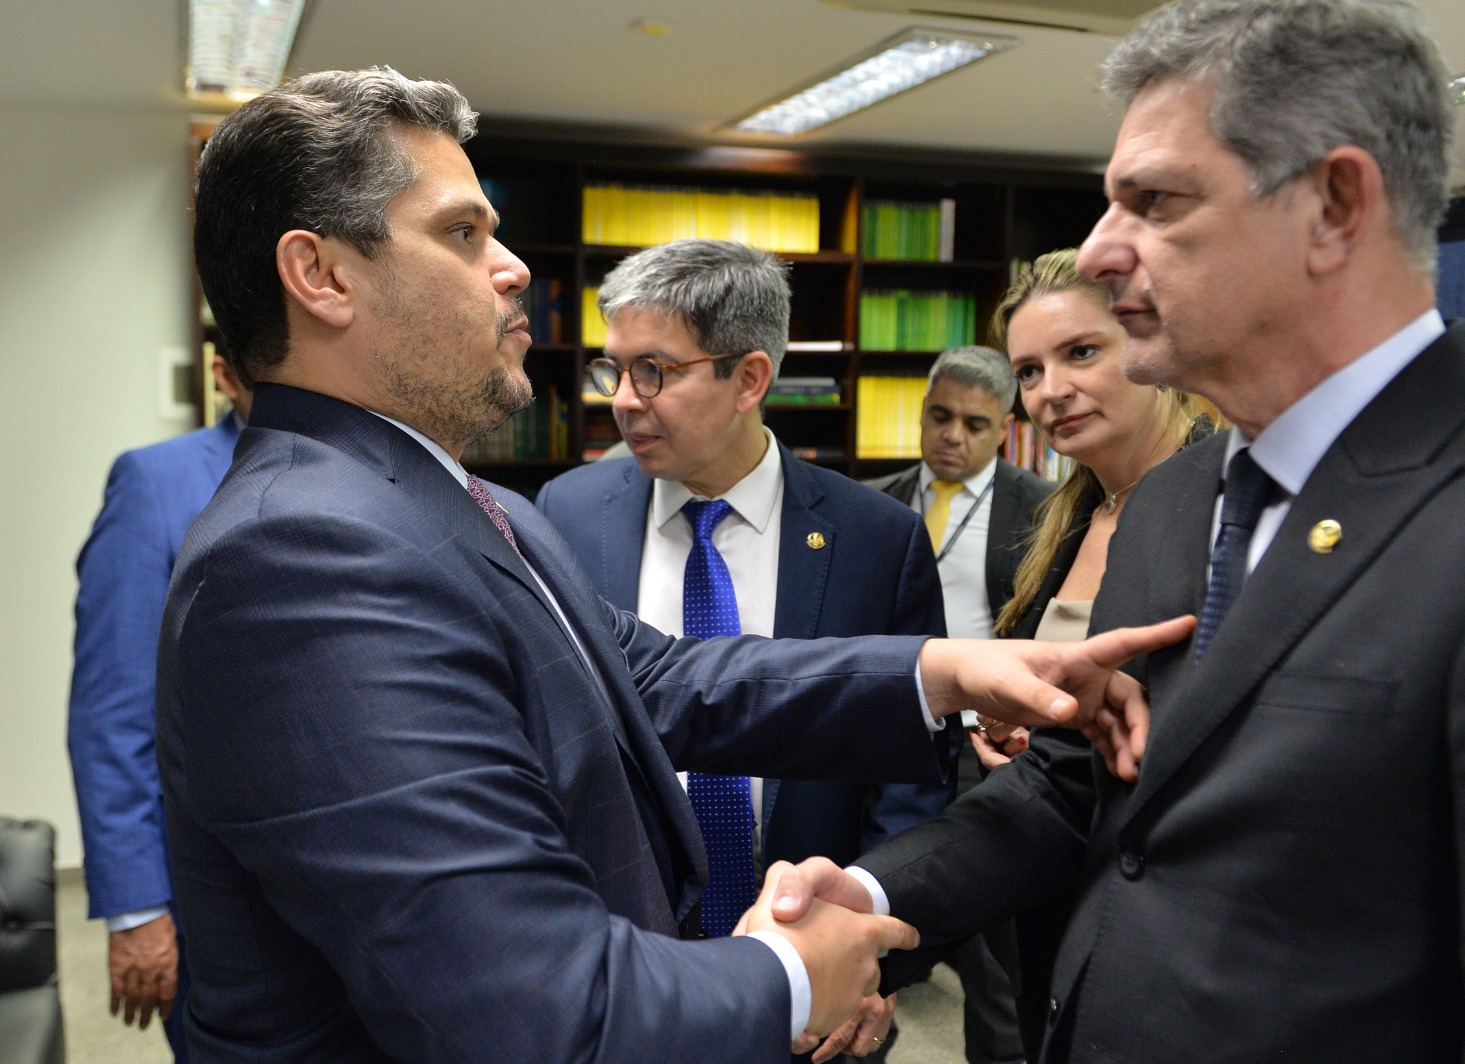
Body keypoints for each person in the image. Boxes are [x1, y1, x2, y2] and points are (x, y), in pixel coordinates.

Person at [160, 66, 1189, 1063]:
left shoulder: (457, 502)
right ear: (323, 276)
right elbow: (532, 1009)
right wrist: (791, 973)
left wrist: (947, 669)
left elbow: (656, 678)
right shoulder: (305, 556)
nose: (512, 268)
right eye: (463, 234)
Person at [772, 1, 1465, 1060]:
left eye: (1154, 202)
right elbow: (1071, 792)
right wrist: (875, 892)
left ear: (1334, 205)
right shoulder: (1173, 501)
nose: (1102, 250)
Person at [536, 237, 953, 1061]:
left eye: (653, 371)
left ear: (750, 378)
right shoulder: (566, 513)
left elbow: (910, 783)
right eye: (612, 369)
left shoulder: (878, 539)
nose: (623, 401)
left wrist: (876, 958)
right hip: (620, 977)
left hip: (814, 984)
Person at [864, 344, 1053, 1064]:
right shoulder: (874, 503)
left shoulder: (1041, 508)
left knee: (994, 956)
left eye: (974, 424)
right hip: (892, 740)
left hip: (987, 747)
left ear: (1004, 428)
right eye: (939, 416)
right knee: (878, 925)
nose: (952, 436)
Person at [67, 352, 250, 1063]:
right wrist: (136, 909)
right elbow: (115, 713)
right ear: (224, 375)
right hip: (216, 907)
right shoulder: (155, 484)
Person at [976, 250, 1213, 768]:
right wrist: (1017, 733)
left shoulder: (1220, 503)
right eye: (1029, 372)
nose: (1051, 391)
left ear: (1152, 347)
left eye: (1081, 352)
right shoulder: (1055, 517)